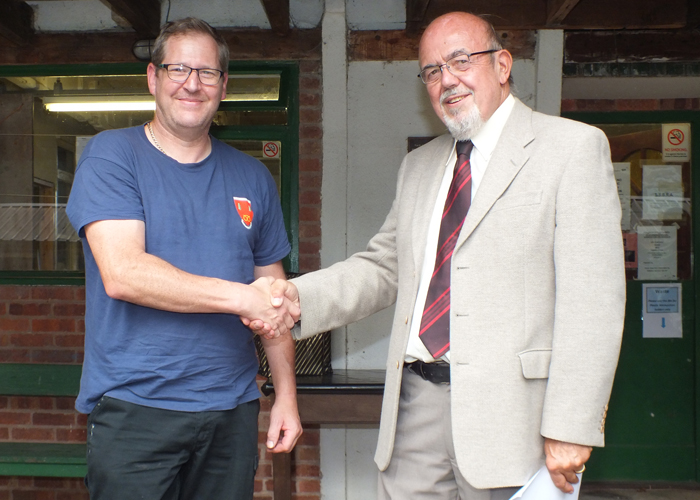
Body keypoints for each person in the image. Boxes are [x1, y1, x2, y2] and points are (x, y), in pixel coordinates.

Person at [248, 11, 625, 500]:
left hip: (516, 418)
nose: (447, 79)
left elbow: (593, 301)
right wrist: (296, 296)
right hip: (415, 413)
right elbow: (383, 268)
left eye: (461, 61)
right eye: (431, 71)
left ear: (503, 64)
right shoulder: (420, 167)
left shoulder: (571, 149)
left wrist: (572, 422)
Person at [66, 17, 302, 500]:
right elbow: (125, 274)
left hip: (231, 412)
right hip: (137, 410)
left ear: (223, 85)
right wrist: (243, 298)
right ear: (153, 78)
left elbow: (273, 302)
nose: (192, 84)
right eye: (178, 69)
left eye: (207, 72)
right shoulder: (112, 156)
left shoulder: (253, 177)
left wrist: (286, 398)